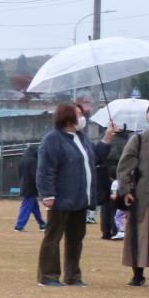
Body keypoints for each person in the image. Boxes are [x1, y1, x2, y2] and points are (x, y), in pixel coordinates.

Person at [35, 102, 95, 288]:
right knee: (53, 237)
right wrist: (48, 194)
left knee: (76, 238)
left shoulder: (82, 138)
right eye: (78, 114)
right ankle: (48, 276)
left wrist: (108, 139)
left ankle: (73, 276)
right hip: (61, 198)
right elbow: (45, 169)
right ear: (67, 118)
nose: (82, 117)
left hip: (81, 198)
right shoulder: (53, 139)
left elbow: (93, 158)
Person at [114, 129, 148, 287]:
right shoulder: (140, 138)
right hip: (144, 194)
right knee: (140, 233)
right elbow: (125, 165)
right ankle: (138, 274)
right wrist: (126, 189)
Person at [93, 123, 121, 242]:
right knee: (114, 204)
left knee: (105, 204)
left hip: (102, 175)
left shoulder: (102, 142)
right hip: (113, 176)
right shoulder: (121, 141)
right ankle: (115, 230)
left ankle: (106, 231)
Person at [14, 149, 46, 232]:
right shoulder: (33, 161)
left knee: (34, 207)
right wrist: (39, 185)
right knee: (26, 206)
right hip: (31, 187)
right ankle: (19, 226)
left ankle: (42, 224)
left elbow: (20, 174)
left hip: (24, 185)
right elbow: (35, 175)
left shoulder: (22, 160)